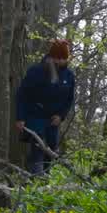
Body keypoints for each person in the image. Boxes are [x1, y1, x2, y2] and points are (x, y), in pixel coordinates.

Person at [15, 39, 75, 176]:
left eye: (63, 59)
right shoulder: (36, 71)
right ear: (52, 56)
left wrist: (61, 116)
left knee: (51, 149)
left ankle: (46, 179)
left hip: (53, 120)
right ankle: (35, 179)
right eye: (57, 58)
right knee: (37, 147)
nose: (60, 62)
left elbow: (69, 99)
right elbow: (22, 95)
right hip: (35, 115)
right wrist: (20, 117)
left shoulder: (69, 76)